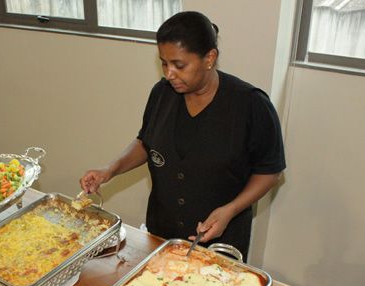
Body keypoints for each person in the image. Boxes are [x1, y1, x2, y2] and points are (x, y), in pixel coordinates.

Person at [79, 11, 286, 260]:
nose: (169, 74)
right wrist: (110, 170)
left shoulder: (250, 105)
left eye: (179, 65)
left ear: (209, 58)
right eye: (164, 63)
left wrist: (231, 210)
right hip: (162, 233)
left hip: (219, 241)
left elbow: (270, 171)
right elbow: (146, 143)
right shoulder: (161, 94)